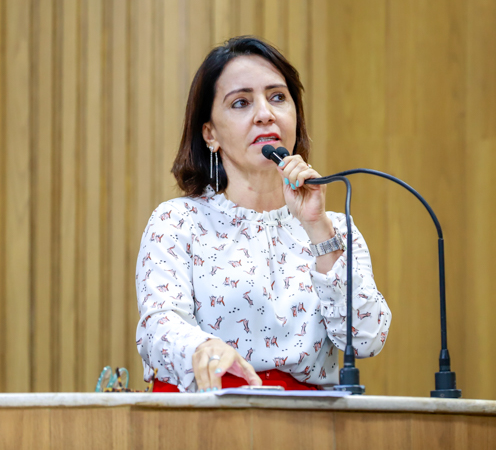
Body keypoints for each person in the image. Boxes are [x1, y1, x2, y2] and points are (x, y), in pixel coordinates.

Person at [135, 36, 391, 392]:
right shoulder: (177, 221)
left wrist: (317, 227)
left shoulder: (338, 231)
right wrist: (201, 349)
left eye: (277, 97)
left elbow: (366, 339)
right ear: (210, 133)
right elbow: (158, 327)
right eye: (241, 102)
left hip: (310, 426)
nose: (265, 114)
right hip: (203, 420)